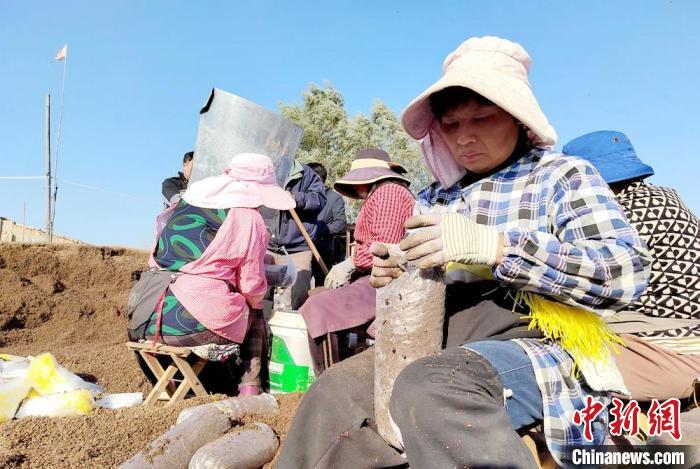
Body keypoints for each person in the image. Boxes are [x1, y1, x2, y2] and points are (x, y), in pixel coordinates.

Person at [277, 36, 652, 468]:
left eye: (482, 118)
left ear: (517, 117)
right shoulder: (434, 197)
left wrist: (497, 247)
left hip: (535, 340)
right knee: (334, 391)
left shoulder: (562, 176)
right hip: (445, 338)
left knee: (433, 387)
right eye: (451, 125)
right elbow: (414, 282)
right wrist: (393, 275)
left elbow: (624, 273)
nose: (464, 137)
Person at [128, 153, 295, 396]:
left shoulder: (183, 205)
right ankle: (250, 391)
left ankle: (179, 389)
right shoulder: (248, 218)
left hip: (145, 314)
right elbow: (252, 286)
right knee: (255, 309)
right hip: (191, 323)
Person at [563, 130, 700, 402]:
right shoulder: (663, 199)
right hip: (681, 337)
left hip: (667, 345)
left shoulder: (621, 216)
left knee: (540, 365)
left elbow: (579, 275)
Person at [300, 149, 414, 375]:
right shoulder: (385, 193)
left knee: (318, 308)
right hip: (376, 276)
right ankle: (346, 365)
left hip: (387, 280)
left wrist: (351, 262)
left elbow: (383, 248)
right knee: (316, 295)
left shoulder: (388, 192)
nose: (357, 188)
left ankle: (329, 379)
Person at [261, 161, 326, 311]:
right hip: (267, 244)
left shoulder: (306, 173)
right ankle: (261, 329)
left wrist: (295, 197)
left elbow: (319, 200)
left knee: (298, 297)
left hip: (299, 247)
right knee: (260, 294)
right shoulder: (263, 170)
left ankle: (292, 331)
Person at [307, 162, 347, 287]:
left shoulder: (334, 198)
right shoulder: (303, 196)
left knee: (321, 287)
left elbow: (340, 223)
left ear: (316, 178)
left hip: (323, 249)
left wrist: (318, 230)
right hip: (302, 249)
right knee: (300, 287)